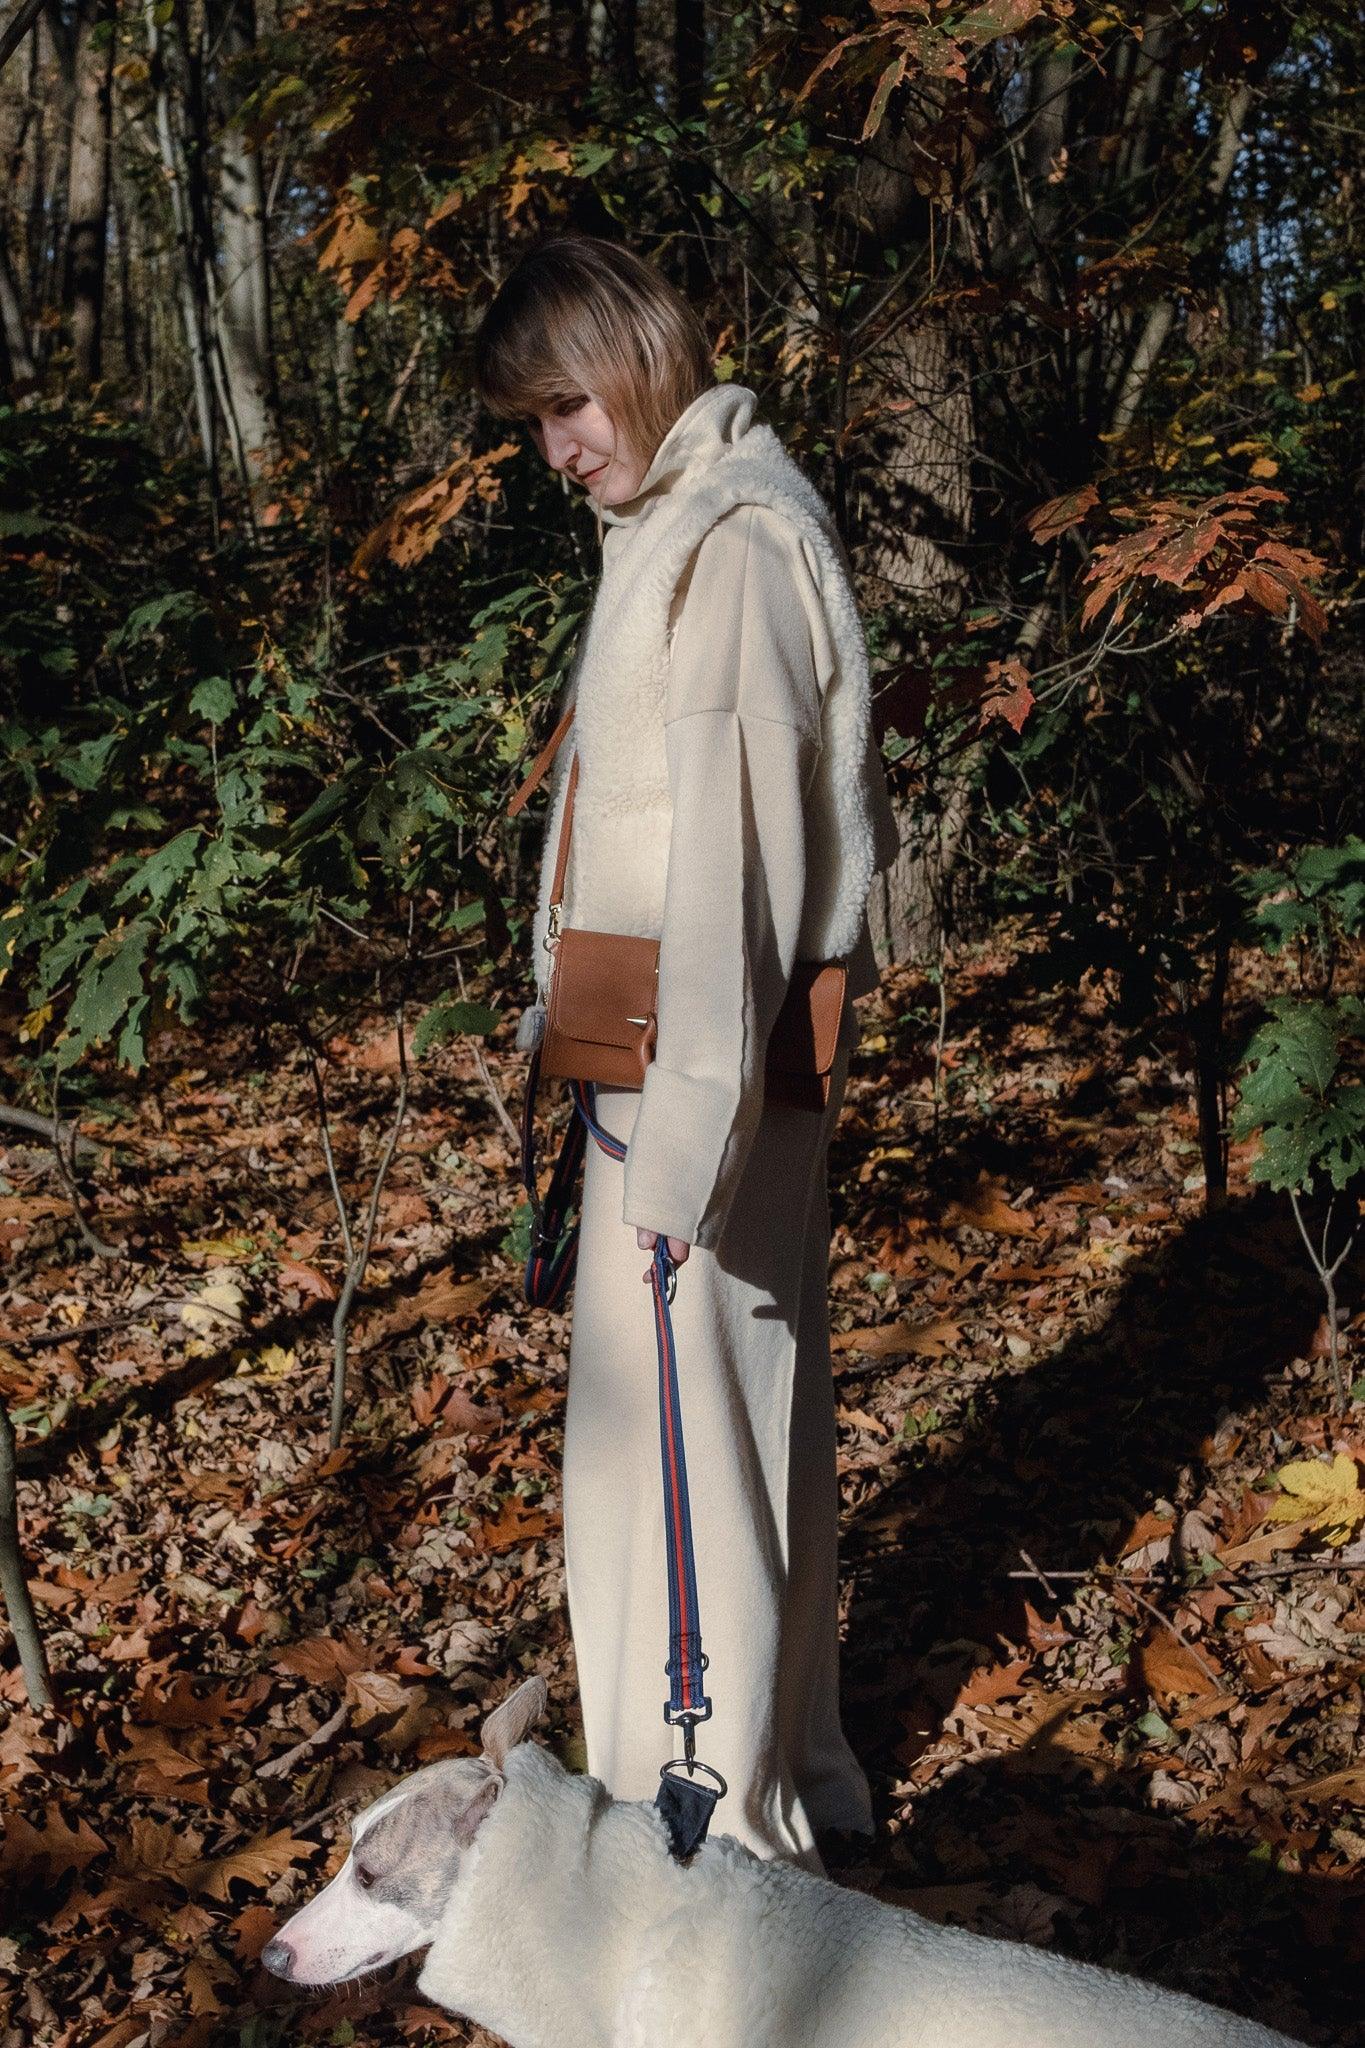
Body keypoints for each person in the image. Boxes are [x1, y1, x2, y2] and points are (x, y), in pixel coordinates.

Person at [472, 234, 901, 1874]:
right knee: (711, 1430)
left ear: (641, 355)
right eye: (534, 424)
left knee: (687, 1450)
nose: (556, 448)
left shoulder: (727, 547)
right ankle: (755, 1787)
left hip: (687, 1079)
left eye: (568, 403)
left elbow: (735, 873)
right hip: (657, 1067)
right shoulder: (677, 531)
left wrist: (682, 1149)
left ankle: (704, 1838)